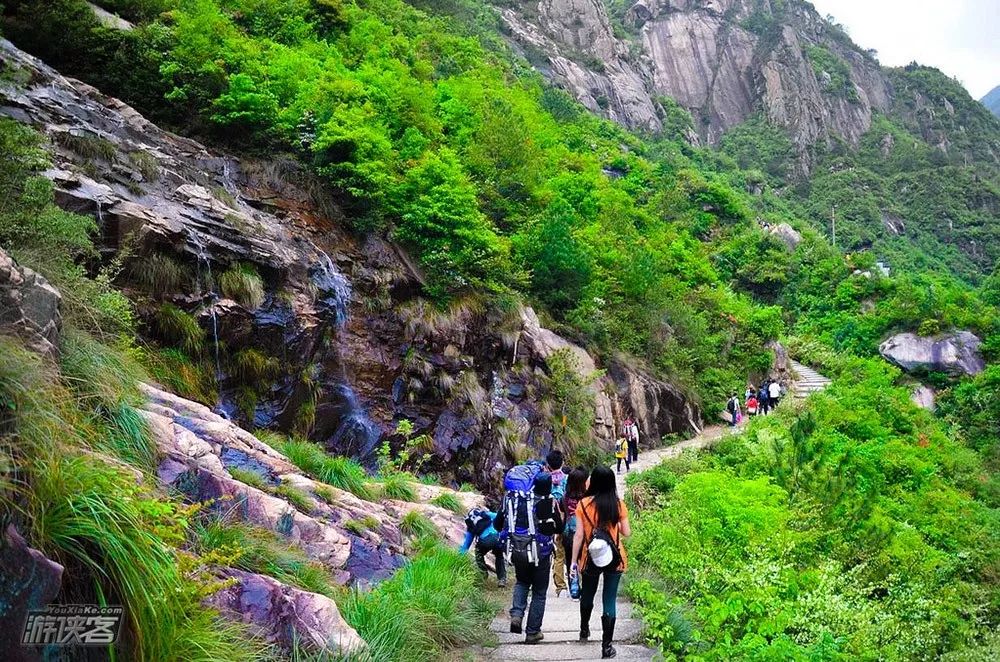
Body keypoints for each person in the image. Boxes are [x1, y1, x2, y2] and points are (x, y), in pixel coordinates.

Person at [494, 470, 563, 644]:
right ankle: (532, 632)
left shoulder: (514, 500)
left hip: (517, 550)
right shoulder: (549, 502)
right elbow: (559, 528)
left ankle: (517, 614)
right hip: (542, 553)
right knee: (539, 592)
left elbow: (497, 524)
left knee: (522, 582)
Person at [571, 466, 631, 659]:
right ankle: (607, 647)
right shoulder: (618, 504)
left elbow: (579, 535)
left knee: (587, 593)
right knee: (609, 599)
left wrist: (574, 561)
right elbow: (626, 532)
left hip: (590, 557)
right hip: (614, 556)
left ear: (593, 482)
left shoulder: (583, 504)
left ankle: (584, 629)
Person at [459, 507, 506, 587]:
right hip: (497, 537)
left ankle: (483, 574)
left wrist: (459, 556)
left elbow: (466, 545)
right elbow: (500, 517)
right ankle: (502, 579)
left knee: (478, 553)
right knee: (499, 556)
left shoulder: (471, 526)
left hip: (485, 541)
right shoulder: (487, 514)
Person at [561, 467, 588, 599]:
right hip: (585, 532)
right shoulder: (587, 498)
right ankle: (586, 585)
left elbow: (562, 511)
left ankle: (574, 587)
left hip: (568, 532)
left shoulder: (565, 497)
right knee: (584, 559)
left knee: (570, 559)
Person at [545, 450, 568, 597]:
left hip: (547, 521)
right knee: (565, 554)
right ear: (563, 462)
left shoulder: (544, 480)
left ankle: (559, 586)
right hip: (565, 521)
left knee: (553, 555)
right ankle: (569, 585)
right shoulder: (568, 479)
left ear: (548, 465)